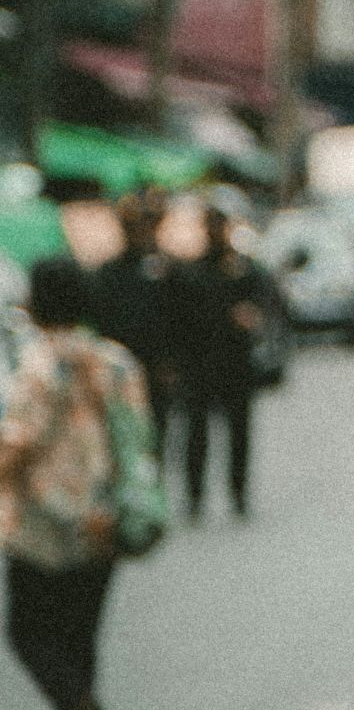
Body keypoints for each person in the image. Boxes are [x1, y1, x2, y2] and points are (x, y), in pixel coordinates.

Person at [0, 257, 153, 710]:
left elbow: (19, 439)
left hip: (44, 519)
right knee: (80, 636)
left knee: (27, 633)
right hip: (106, 514)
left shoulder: (39, 363)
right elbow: (140, 430)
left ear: (36, 302)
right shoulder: (116, 361)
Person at [177, 194, 274, 521]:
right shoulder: (192, 272)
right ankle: (195, 495)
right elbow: (180, 317)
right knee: (197, 433)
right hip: (201, 361)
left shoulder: (245, 271)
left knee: (239, 432)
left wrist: (252, 316)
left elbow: (264, 303)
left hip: (236, 362)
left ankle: (238, 491)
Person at [89, 188, 187, 462]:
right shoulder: (110, 271)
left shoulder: (170, 269)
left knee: (156, 436)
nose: (140, 231)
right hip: (119, 363)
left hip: (156, 366)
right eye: (133, 225)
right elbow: (102, 318)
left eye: (146, 224)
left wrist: (172, 361)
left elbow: (180, 319)